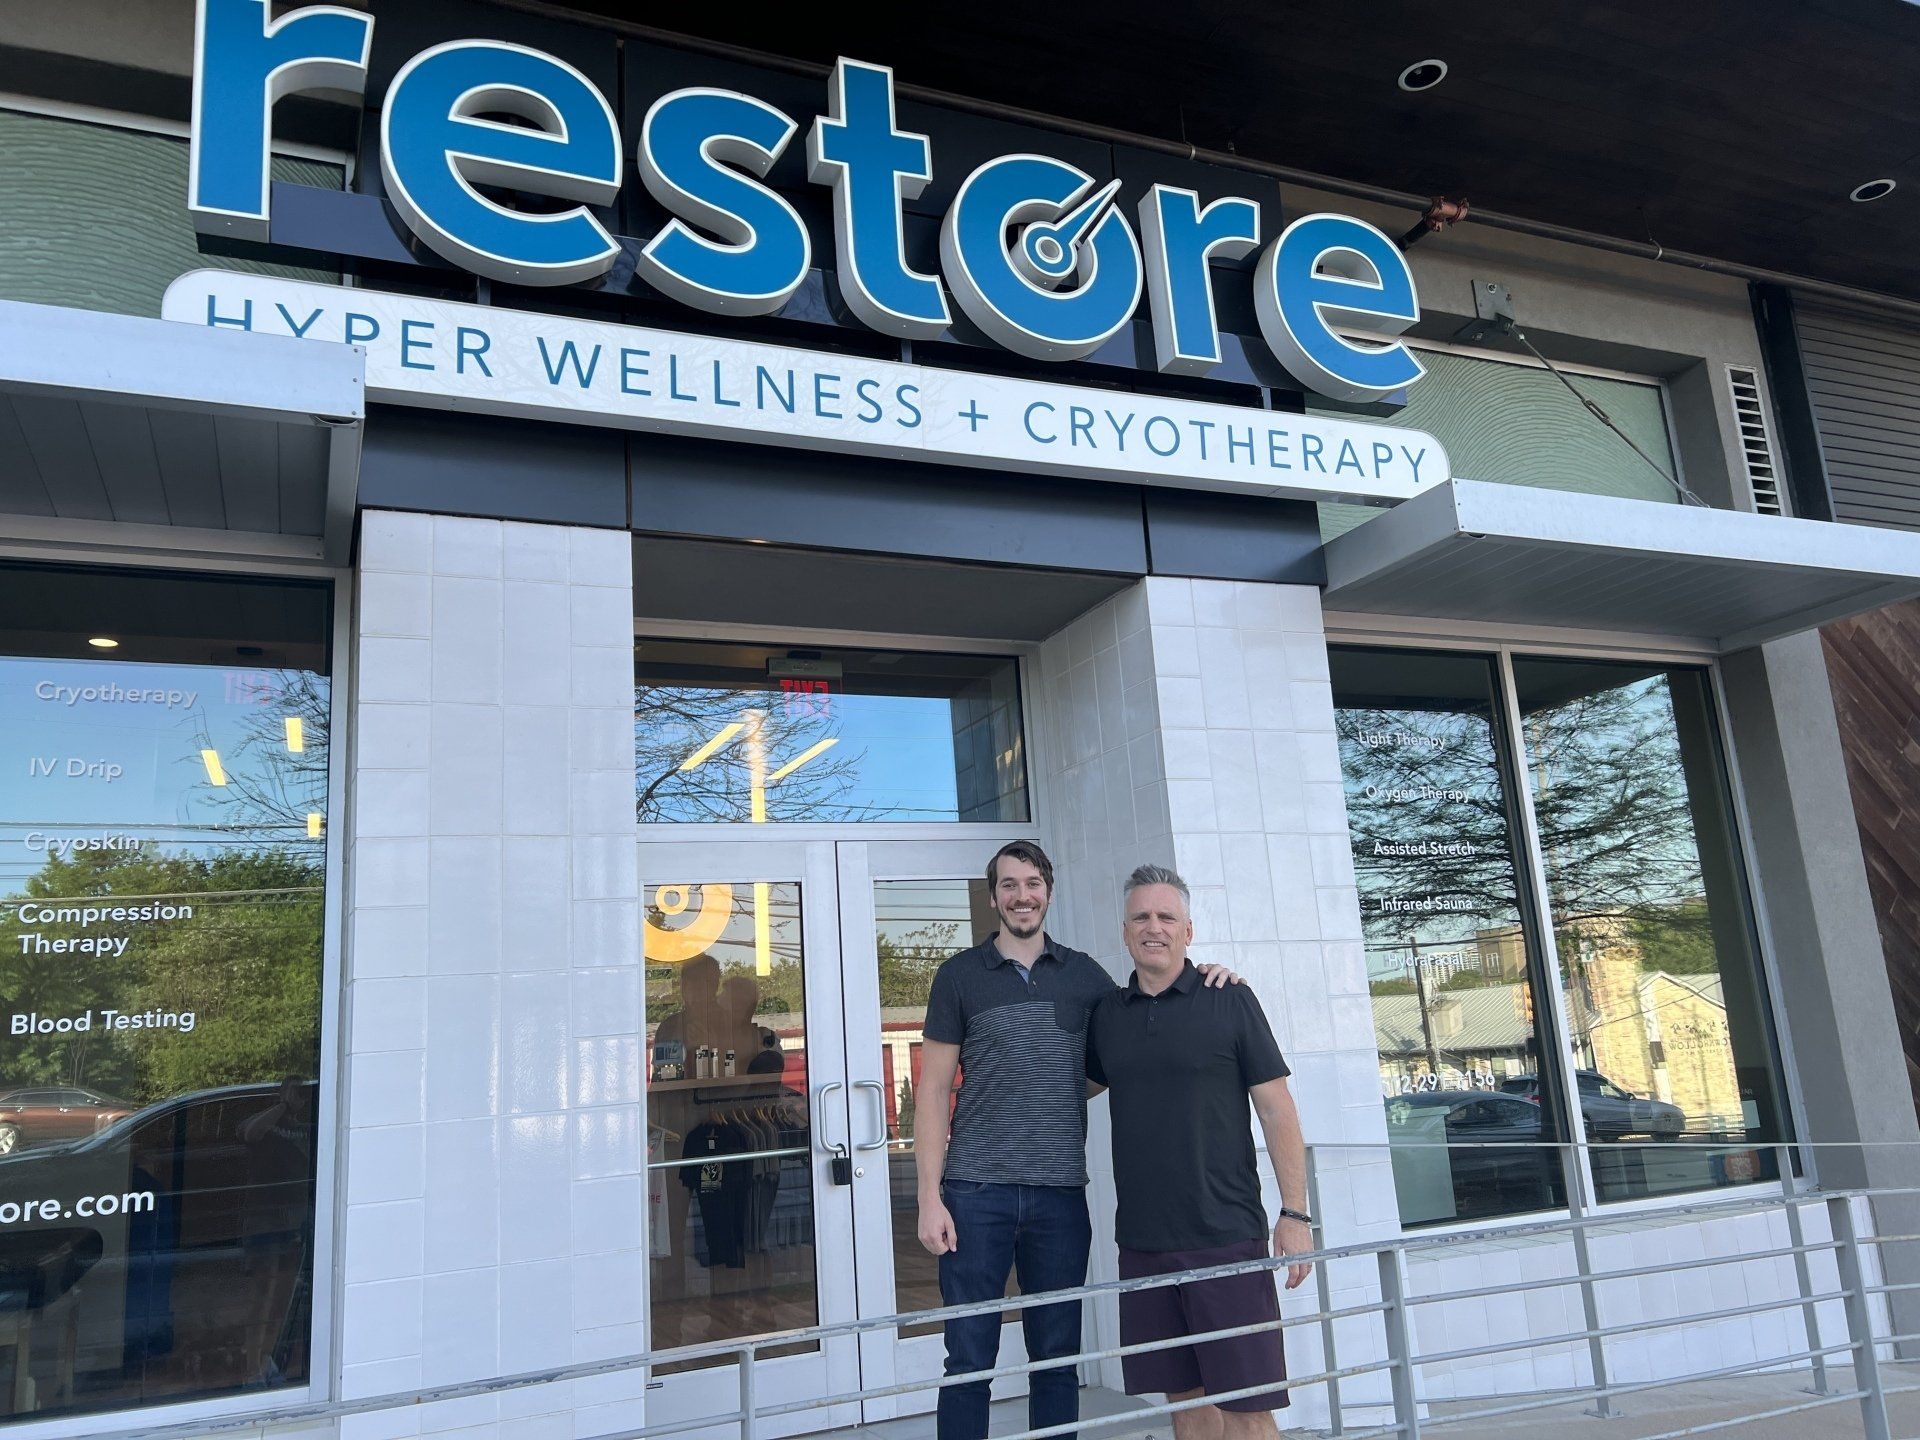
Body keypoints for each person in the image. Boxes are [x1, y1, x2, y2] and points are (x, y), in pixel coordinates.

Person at [915, 841, 1242, 1440]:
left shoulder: (1087, 977)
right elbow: (933, 1091)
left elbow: (1146, 1019)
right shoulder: (959, 977)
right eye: (1009, 885)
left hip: (1059, 1199)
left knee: (1057, 1360)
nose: (1022, 895)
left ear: (1048, 892)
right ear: (993, 898)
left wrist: (1214, 977)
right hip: (974, 1193)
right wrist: (929, 1197)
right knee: (967, 1360)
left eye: (1033, 883)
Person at [1085, 864, 1312, 1439]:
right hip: (1143, 1242)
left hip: (1224, 1238)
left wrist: (1295, 1214)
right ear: (1125, 931)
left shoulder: (1229, 1000)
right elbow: (1071, 1089)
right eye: (1141, 916)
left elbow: (1277, 1109)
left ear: (1189, 931)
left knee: (1245, 1404)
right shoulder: (1108, 1016)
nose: (1153, 927)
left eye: (1167, 917)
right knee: (1182, 1399)